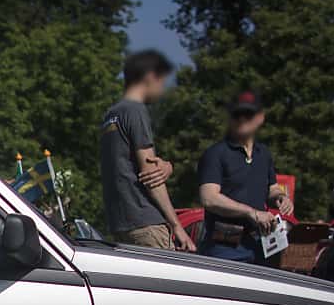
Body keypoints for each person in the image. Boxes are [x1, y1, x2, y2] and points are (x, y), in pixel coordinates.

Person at [98, 50, 193, 251]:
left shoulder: (111, 115)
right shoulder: (135, 110)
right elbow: (151, 174)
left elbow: (127, 164)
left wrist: (167, 165)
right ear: (150, 77)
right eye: (162, 81)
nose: (162, 89)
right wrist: (177, 226)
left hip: (121, 224)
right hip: (147, 224)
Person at [196, 90, 282, 264]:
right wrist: (251, 212)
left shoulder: (263, 154)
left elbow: (272, 189)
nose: (242, 119)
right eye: (237, 114)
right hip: (224, 244)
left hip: (260, 245)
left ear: (260, 117)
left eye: (248, 114)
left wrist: (280, 198)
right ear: (230, 118)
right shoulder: (216, 153)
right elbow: (209, 198)